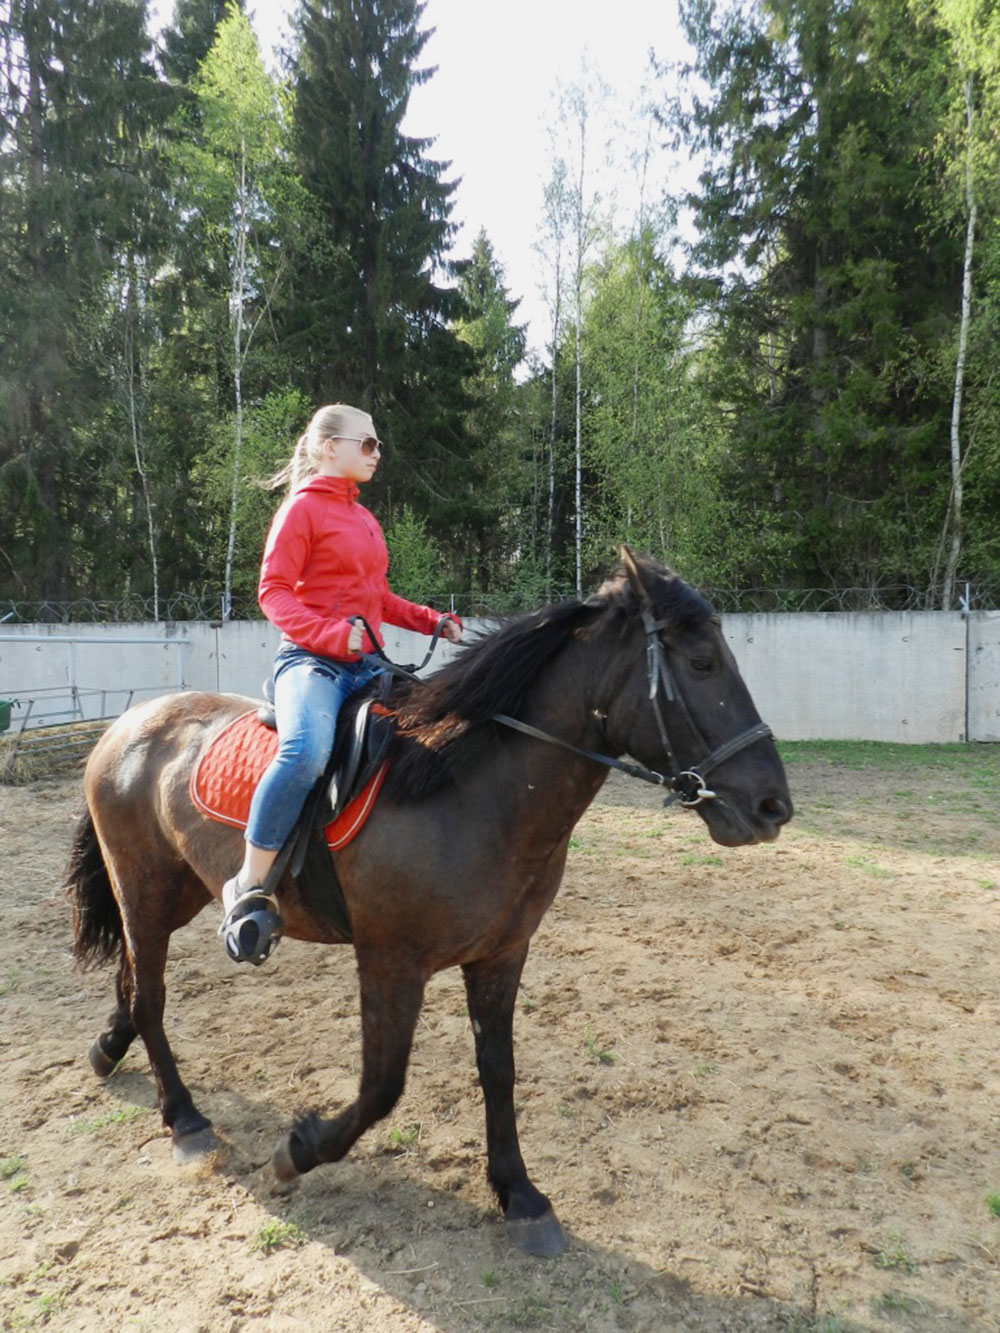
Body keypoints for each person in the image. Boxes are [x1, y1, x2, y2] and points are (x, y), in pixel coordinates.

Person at [219, 403, 462, 964]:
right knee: (306, 753)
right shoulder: (300, 511)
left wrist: (431, 621)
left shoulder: (363, 517)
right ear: (331, 448)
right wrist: (330, 636)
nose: (378, 454)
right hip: (312, 663)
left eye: (378, 445)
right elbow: (273, 593)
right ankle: (249, 883)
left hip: (368, 664)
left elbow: (377, 598)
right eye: (368, 444)